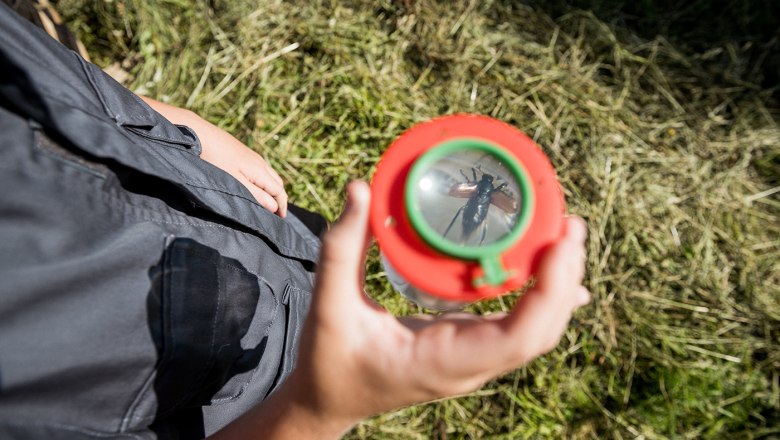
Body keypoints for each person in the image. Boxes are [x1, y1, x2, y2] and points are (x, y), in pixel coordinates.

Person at [0, 3, 590, 439]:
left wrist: (166, 122)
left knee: (299, 244)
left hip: (201, 184)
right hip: (231, 383)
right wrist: (319, 407)